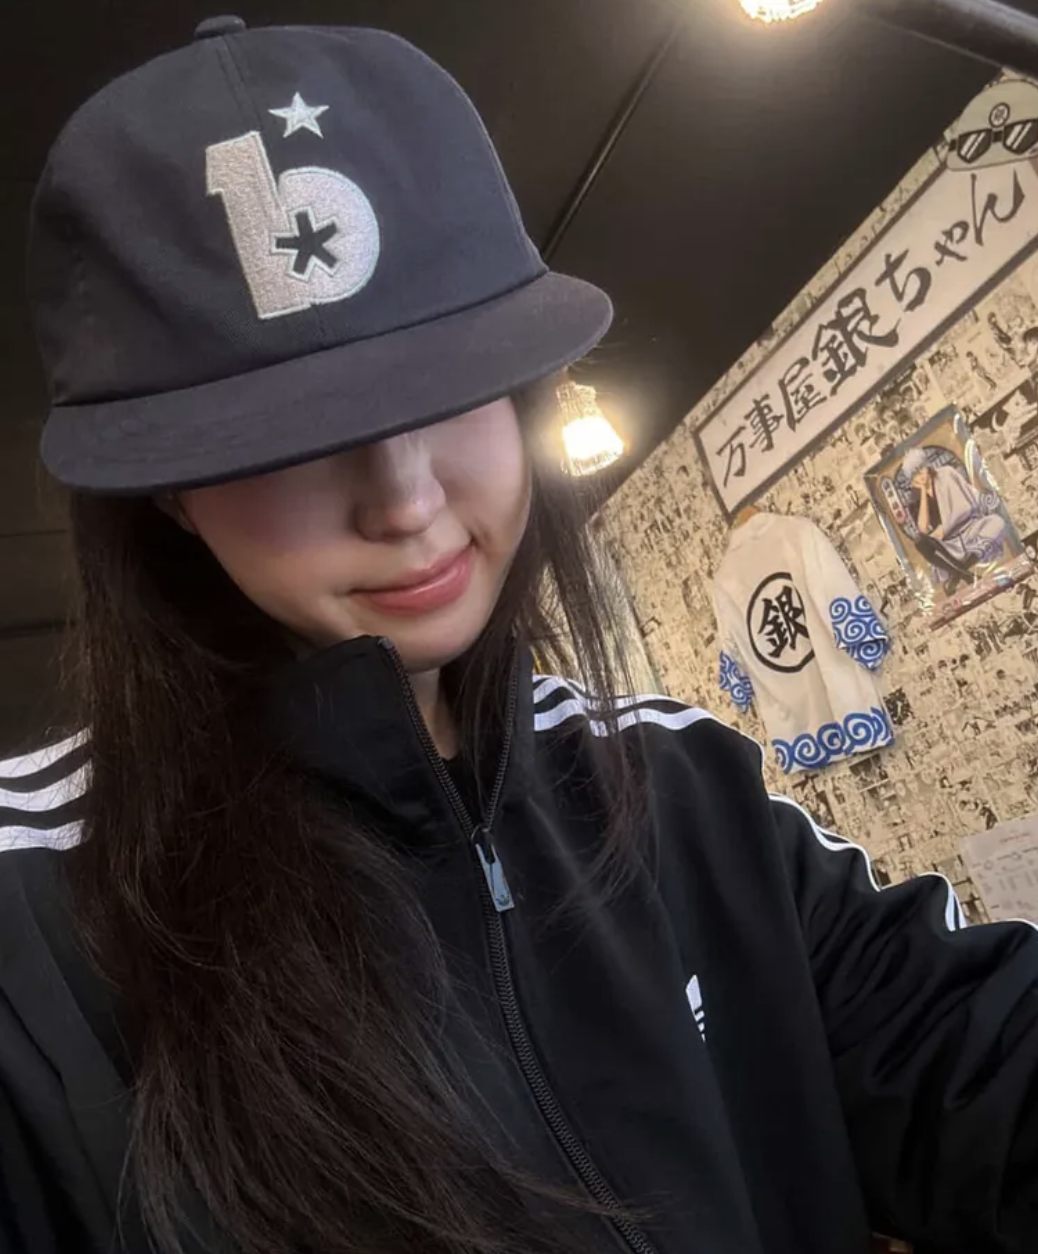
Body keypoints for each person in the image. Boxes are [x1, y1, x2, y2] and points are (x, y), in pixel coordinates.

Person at [5, 17, 1038, 1254]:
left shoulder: (677, 783)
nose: (406, 500)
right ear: (169, 494)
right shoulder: (36, 921)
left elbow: (970, 1053)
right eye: (284, 437)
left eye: (451, 386)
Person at [902, 446, 1007, 594]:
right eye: (915, 475)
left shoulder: (946, 474)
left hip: (970, 530)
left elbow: (965, 507)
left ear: (926, 465)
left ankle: (957, 575)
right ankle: (967, 575)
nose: (921, 476)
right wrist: (923, 492)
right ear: (912, 480)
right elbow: (923, 528)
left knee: (996, 522)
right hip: (948, 545)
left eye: (921, 469)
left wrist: (944, 528)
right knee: (920, 541)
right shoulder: (915, 498)